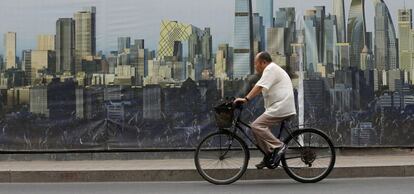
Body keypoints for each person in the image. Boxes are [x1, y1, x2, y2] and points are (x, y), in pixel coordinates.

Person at [234, 51, 296, 169]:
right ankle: (269, 155)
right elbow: (258, 86)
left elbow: (259, 86)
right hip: (278, 106)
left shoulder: (270, 69)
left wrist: (245, 99)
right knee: (256, 129)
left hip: (281, 106)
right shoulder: (270, 71)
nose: (255, 66)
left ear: (263, 62)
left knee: (256, 125)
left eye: (256, 63)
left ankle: (279, 146)